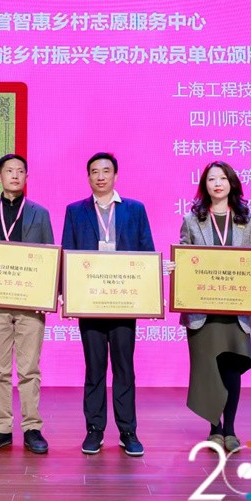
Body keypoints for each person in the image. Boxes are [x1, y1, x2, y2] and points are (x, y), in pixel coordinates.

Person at [61, 152, 154, 457]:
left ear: (115, 175)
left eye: (106, 171)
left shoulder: (135, 209)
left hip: (125, 303)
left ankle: (128, 431)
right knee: (95, 368)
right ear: (88, 177)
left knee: (125, 368)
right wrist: (64, 294)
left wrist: (151, 295)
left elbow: (147, 252)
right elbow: (67, 254)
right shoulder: (75, 211)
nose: (100, 176)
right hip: (89, 302)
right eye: (94, 172)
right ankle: (95, 429)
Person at [0, 154, 55, 455]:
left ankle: (32, 428)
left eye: (20, 171)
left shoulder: (40, 213)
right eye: (9, 171)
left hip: (30, 304)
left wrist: (48, 295)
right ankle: (1, 428)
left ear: (26, 176)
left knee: (30, 369)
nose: (14, 176)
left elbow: (49, 256)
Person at [176, 161, 251, 453]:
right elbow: (184, 256)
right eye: (212, 179)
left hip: (235, 309)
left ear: (232, 183)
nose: (218, 183)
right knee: (209, 369)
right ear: (205, 185)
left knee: (231, 368)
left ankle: (230, 429)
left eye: (223, 178)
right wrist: (176, 266)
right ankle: (214, 429)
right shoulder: (191, 219)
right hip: (203, 310)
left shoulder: (247, 219)